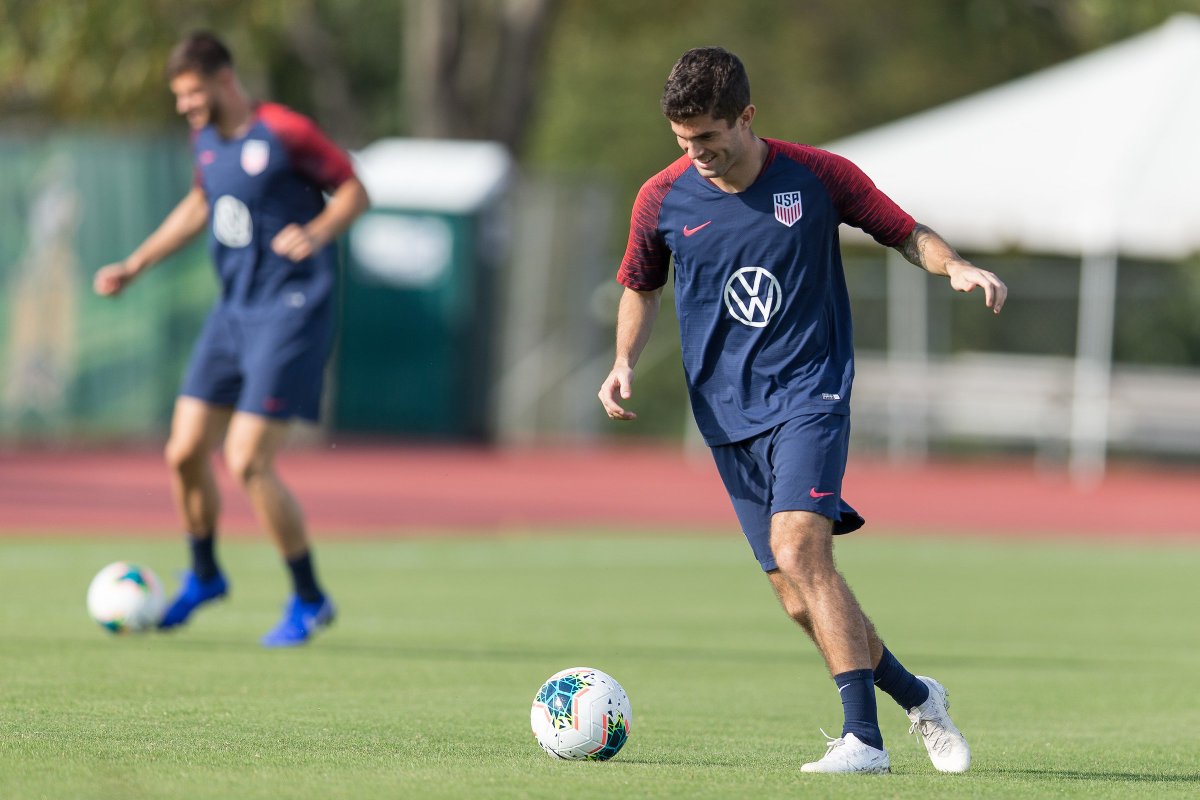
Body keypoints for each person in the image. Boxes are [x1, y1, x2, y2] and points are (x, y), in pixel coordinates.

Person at [598, 47, 1007, 774]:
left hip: (810, 394)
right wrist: (623, 360)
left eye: (710, 140)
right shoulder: (662, 197)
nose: (697, 155)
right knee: (797, 598)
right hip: (726, 417)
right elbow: (639, 283)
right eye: (684, 141)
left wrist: (959, 266)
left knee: (801, 551)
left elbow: (904, 231)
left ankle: (864, 742)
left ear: (747, 118)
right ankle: (918, 699)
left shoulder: (817, 177)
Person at [93, 31, 370, 647]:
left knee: (246, 460)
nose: (184, 106)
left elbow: (355, 190)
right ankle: (206, 575)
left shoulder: (285, 131)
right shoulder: (207, 141)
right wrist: (134, 265)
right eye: (179, 97)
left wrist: (318, 231)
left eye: (192, 93)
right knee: (183, 451)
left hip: (291, 310)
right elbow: (199, 205)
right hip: (233, 311)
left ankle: (309, 598)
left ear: (224, 80)